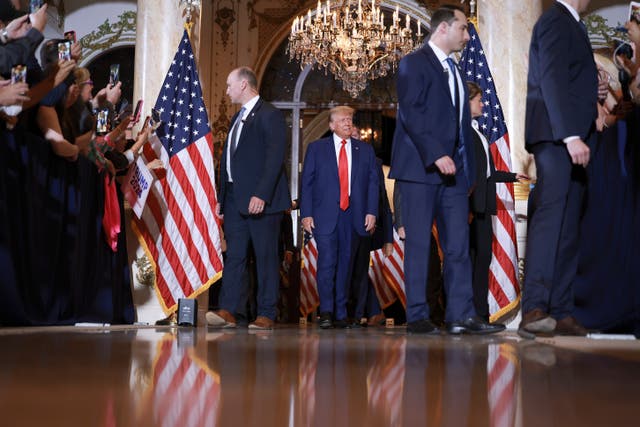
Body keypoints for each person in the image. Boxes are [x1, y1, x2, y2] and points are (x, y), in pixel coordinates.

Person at [388, 5, 504, 335]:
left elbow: (461, 126)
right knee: (420, 246)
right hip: (421, 170)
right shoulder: (414, 62)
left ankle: (460, 316)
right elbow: (411, 112)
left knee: (457, 246)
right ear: (443, 29)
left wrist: (465, 174)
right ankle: (419, 316)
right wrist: (436, 154)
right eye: (464, 29)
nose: (468, 35)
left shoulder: (454, 70)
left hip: (454, 177)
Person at [521, 0, 599, 337]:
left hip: (573, 138)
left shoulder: (574, 23)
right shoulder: (554, 19)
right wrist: (569, 135)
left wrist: (592, 91)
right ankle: (535, 307)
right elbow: (550, 76)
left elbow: (566, 79)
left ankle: (561, 310)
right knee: (551, 221)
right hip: (556, 138)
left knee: (569, 226)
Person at [207, 66, 291, 330]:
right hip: (234, 200)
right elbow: (229, 160)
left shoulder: (270, 115)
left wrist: (262, 195)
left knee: (266, 257)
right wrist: (221, 196)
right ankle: (228, 310)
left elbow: (275, 158)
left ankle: (266, 312)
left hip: (260, 201)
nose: (227, 90)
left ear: (244, 85)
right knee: (235, 256)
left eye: (230, 85)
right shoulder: (236, 119)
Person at [300, 106, 379, 329]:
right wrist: (306, 213)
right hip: (325, 216)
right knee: (327, 264)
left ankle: (341, 313)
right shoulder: (317, 149)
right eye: (343, 120)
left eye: (350, 119)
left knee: (347, 266)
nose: (348, 123)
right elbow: (307, 182)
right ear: (332, 125)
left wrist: (371, 211)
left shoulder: (365, 150)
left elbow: (373, 184)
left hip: (354, 217)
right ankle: (325, 311)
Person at [467, 81, 528, 320]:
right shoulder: (462, 132)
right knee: (473, 261)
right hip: (471, 206)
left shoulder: (478, 132)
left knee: (483, 259)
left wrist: (513, 176)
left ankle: (480, 316)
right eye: (478, 100)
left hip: (483, 205)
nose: (483, 104)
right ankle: (472, 315)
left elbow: (488, 172)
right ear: (467, 101)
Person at [347, 125, 393, 327]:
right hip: (341, 224)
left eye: (357, 135)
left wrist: (388, 237)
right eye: (351, 135)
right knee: (348, 269)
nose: (354, 138)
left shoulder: (373, 162)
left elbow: (381, 199)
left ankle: (358, 314)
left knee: (358, 269)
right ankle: (372, 310)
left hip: (366, 225)